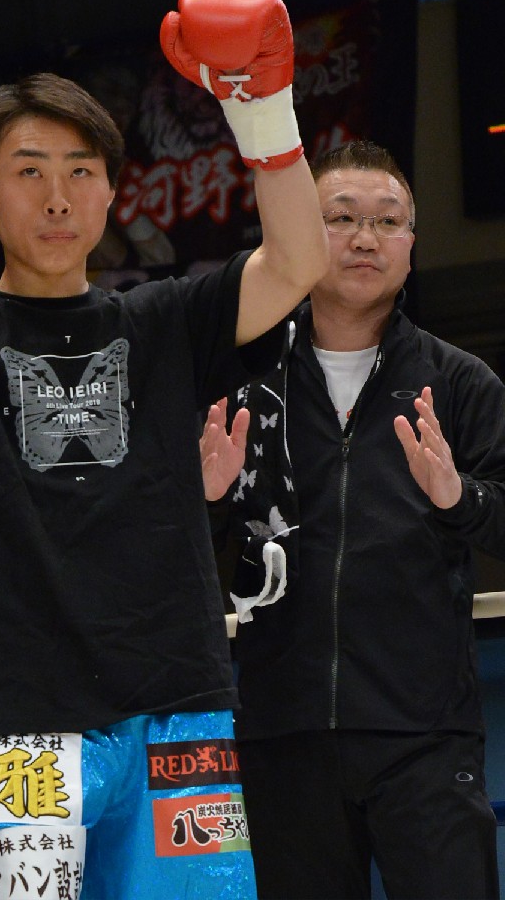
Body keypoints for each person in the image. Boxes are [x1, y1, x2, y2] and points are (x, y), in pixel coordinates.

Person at [0, 0, 329, 900]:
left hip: (175, 709)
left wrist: (263, 112)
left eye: (81, 171)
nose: (58, 197)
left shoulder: (166, 321)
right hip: (16, 715)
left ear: (113, 191)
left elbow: (297, 263)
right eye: (29, 170)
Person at [202, 139, 505, 899]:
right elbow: (170, 555)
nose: (366, 238)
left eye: (388, 221)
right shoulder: (241, 383)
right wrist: (202, 501)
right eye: (339, 218)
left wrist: (458, 497)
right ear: (300, 236)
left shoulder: (460, 384)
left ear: (412, 244)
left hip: (426, 734)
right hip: (283, 729)